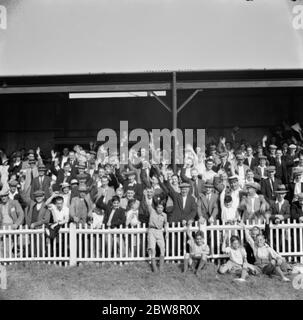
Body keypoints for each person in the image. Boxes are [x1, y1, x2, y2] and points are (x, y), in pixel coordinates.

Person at [147, 201, 168, 272]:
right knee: (153, 249)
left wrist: (166, 232)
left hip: (159, 231)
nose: (160, 209)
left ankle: (161, 267)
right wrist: (147, 194)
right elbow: (148, 203)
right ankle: (154, 268)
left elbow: (165, 224)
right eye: (158, 207)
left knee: (162, 248)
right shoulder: (152, 212)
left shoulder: (164, 215)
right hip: (152, 231)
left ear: (163, 208)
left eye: (161, 207)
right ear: (156, 207)